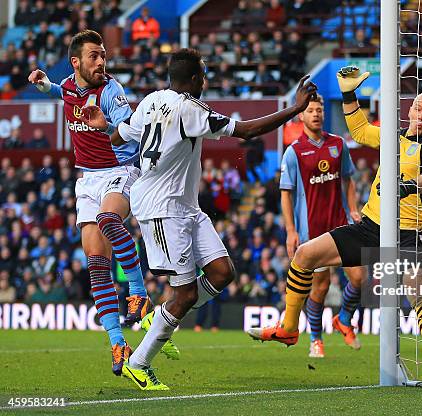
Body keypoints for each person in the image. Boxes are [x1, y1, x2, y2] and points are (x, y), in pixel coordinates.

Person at [81, 48, 318, 390]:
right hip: (162, 209)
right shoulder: (191, 109)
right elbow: (248, 131)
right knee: (186, 294)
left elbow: (120, 136)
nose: (205, 81)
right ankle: (139, 362)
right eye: (203, 76)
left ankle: (161, 316)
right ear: (193, 80)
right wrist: (295, 109)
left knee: (223, 272)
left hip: (186, 207)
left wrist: (106, 128)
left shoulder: (150, 101)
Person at [248, 66, 422, 381]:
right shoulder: (392, 137)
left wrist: (408, 186)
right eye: (418, 108)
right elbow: (359, 130)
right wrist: (348, 94)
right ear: (410, 110)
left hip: (410, 234)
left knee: (418, 294)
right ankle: (289, 328)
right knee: (304, 256)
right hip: (372, 226)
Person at [27, 30, 171, 376]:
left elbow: (129, 132)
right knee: (96, 264)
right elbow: (64, 92)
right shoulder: (70, 85)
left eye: (103, 55)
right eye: (94, 56)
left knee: (109, 220)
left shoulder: (111, 90)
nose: (101, 62)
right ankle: (117, 342)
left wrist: (107, 126)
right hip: (88, 179)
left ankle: (138, 292)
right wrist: (45, 85)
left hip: (120, 168)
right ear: (76, 62)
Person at [279, 93, 366, 358]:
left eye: (319, 110)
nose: (316, 114)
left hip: (341, 224)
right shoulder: (294, 151)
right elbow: (286, 193)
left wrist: (353, 208)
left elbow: (348, 180)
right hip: (311, 230)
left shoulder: (338, 144)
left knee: (359, 277)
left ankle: (343, 319)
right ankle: (315, 339)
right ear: (301, 116)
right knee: (321, 285)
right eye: (311, 111)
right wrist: (291, 231)